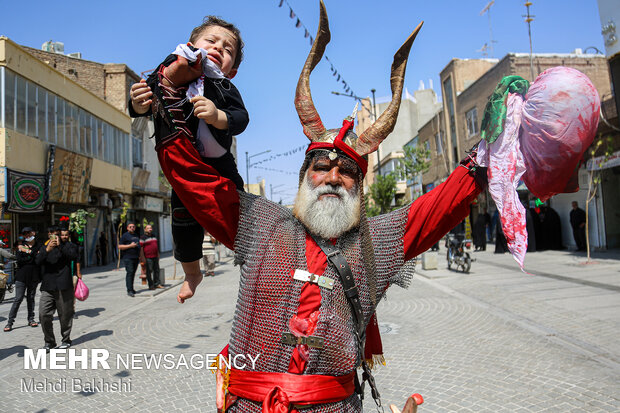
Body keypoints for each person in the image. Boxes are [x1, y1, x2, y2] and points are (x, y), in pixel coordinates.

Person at [147, 6, 484, 410]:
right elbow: (196, 181)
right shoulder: (260, 224)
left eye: (345, 174)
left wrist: (485, 157)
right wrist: (167, 93)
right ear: (306, 175)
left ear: (359, 187)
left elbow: (438, 207)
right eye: (321, 167)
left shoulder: (376, 241)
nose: (331, 178)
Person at [129, 15, 248, 298]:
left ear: (232, 71)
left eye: (228, 49)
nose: (219, 48)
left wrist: (219, 116)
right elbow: (143, 104)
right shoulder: (170, 70)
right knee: (183, 222)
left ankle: (251, 249)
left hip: (219, 163)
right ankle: (192, 273)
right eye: (211, 41)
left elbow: (241, 118)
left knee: (239, 205)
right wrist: (137, 101)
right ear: (192, 45)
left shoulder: (224, 87)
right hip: (183, 164)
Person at [35, 226, 79, 351]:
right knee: (43, 314)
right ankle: (49, 342)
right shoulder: (44, 247)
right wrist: (47, 249)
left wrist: (60, 246)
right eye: (52, 234)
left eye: (57, 235)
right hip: (47, 286)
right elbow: (37, 261)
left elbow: (72, 256)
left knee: (65, 315)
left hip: (63, 285)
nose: (55, 237)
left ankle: (66, 339)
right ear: (48, 235)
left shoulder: (68, 246)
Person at [4, 227, 40, 332]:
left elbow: (39, 259)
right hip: (21, 276)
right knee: (18, 299)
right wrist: (32, 254)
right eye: (25, 234)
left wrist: (28, 253)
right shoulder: (20, 246)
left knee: (31, 298)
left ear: (33, 232)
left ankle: (31, 319)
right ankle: (10, 322)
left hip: (34, 276)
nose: (27, 235)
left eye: (29, 233)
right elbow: (20, 260)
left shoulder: (39, 245)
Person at [119, 222, 141, 297]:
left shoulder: (136, 235)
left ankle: (132, 288)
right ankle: (129, 290)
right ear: (127, 228)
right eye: (130, 227)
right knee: (130, 272)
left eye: (133, 226)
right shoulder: (125, 236)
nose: (132, 228)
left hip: (136, 257)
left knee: (133, 273)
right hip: (128, 258)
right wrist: (130, 246)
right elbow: (120, 246)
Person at [140, 224, 163, 289]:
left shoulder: (154, 236)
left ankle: (157, 283)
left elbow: (156, 246)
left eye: (150, 228)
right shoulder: (142, 238)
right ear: (145, 229)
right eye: (148, 228)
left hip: (155, 256)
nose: (150, 229)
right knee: (149, 271)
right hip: (148, 257)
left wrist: (158, 254)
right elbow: (141, 249)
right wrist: (142, 258)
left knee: (156, 270)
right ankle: (151, 285)